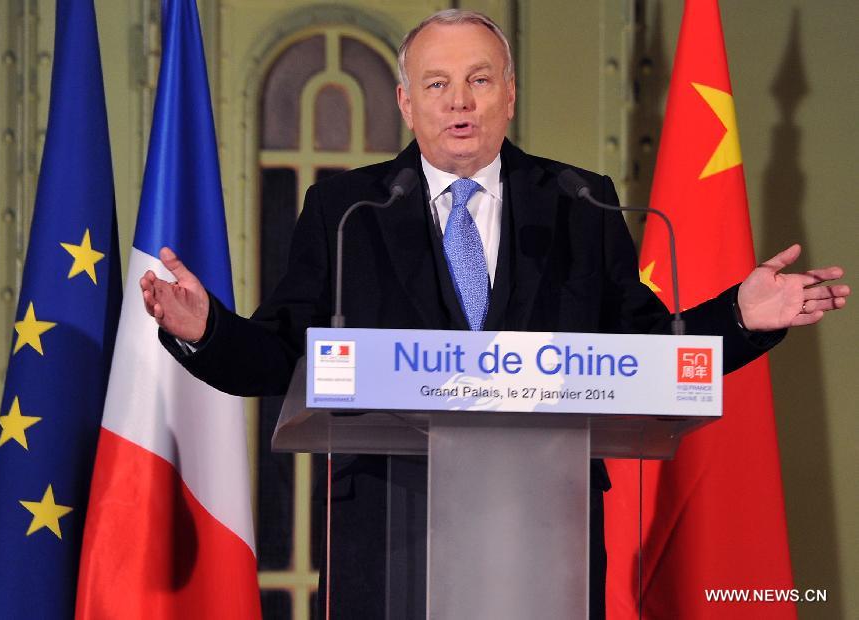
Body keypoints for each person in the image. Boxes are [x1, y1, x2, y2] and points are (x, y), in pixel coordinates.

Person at [139, 9, 849, 619]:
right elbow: (280, 353)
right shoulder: (346, 211)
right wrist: (207, 330)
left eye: (480, 80)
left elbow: (646, 356)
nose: (461, 103)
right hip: (385, 530)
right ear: (405, 102)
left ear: (509, 96)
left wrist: (740, 317)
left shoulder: (582, 202)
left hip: (544, 529)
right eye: (437, 84)